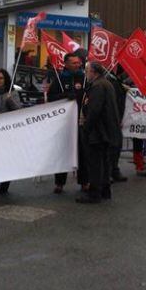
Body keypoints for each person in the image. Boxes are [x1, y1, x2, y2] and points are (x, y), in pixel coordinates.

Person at [76, 61, 122, 204]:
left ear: (94, 72)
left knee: (96, 164)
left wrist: (86, 128)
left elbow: (94, 110)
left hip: (98, 132)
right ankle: (104, 191)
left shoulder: (98, 86)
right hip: (105, 131)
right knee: (104, 163)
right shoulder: (105, 84)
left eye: (87, 70)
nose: (85, 73)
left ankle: (95, 193)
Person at [48, 53, 87, 194]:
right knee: (62, 152)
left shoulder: (84, 78)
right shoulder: (59, 79)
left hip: (80, 121)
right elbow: (51, 98)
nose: (78, 65)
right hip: (63, 123)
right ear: (66, 64)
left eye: (79, 62)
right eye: (74, 63)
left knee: (82, 153)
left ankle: (84, 182)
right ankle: (59, 182)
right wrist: (64, 96)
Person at [106, 66, 129, 183]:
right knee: (111, 147)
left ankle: (114, 170)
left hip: (118, 118)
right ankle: (108, 172)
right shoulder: (109, 80)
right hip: (111, 119)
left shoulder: (117, 80)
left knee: (117, 146)